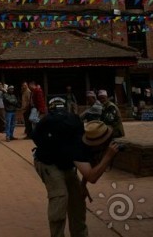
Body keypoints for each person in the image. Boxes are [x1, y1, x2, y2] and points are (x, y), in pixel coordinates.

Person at [32, 97, 120, 237]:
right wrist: (108, 156)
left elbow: (88, 167)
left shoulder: (88, 141)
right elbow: (92, 176)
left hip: (65, 163)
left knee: (78, 201)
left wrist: (82, 185)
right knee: (60, 198)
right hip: (48, 164)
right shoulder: (77, 148)